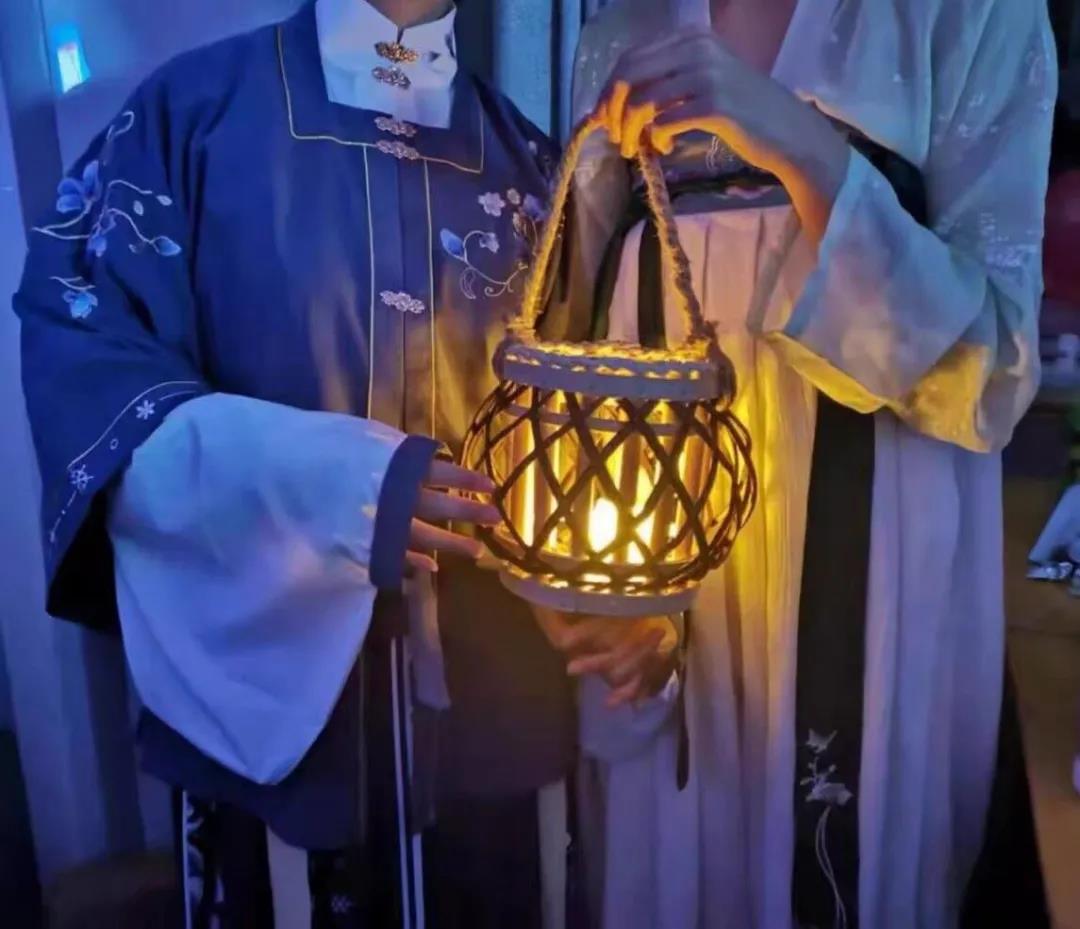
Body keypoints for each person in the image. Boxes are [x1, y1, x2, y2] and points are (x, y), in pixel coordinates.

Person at [12, 1, 662, 925]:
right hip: (266, 711)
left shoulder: (536, 166)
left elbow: (589, 444)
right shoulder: (186, 121)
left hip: (491, 711)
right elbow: (95, 381)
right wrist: (335, 486)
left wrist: (609, 599)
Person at [541, 0, 1058, 927]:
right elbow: (573, 340)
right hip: (666, 586)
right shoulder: (623, 24)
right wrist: (598, 590)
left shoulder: (967, 14)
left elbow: (994, 370)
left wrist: (799, 144)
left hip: (870, 570)